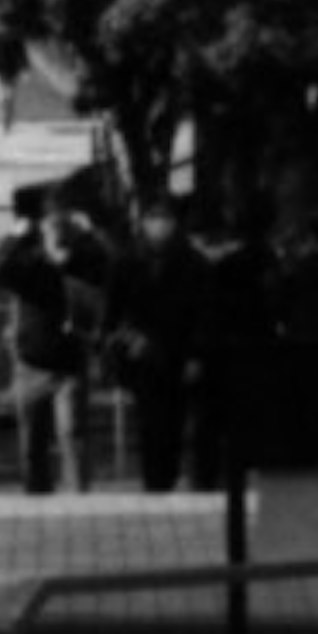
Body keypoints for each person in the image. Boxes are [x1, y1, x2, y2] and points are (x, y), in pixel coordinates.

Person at [0, 196, 99, 497]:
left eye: (62, 228)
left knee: (72, 436)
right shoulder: (31, 265)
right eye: (50, 228)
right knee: (32, 444)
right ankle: (36, 501)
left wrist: (88, 233)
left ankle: (78, 501)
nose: (57, 236)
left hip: (70, 366)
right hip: (32, 365)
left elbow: (110, 264)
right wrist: (15, 236)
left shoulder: (85, 260)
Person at [103, 185, 210, 493]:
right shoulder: (125, 262)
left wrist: (196, 355)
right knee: (150, 423)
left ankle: (168, 475)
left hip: (179, 352)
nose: (158, 224)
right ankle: (154, 482)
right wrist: (122, 340)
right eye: (152, 217)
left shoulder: (194, 263)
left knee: (174, 423)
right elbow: (112, 312)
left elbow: (204, 313)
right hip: (141, 353)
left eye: (164, 217)